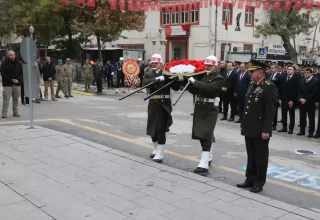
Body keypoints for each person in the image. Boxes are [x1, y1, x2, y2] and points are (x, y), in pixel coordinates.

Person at [236, 60, 277, 193]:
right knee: (251, 155)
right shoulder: (251, 85)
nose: (250, 74)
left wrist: (266, 130)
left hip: (260, 128)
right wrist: (244, 123)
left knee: (260, 156)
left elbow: (270, 110)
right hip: (250, 127)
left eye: (251, 72)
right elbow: (247, 106)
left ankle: (259, 182)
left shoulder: (269, 86)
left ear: (260, 72)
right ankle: (250, 179)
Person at [187, 55, 225, 175]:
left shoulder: (219, 78)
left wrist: (196, 82)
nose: (208, 67)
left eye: (210, 65)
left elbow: (210, 89)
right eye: (207, 65)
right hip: (200, 107)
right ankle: (208, 155)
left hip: (210, 108)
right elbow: (196, 90)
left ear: (215, 66)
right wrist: (189, 83)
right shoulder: (202, 75)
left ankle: (203, 163)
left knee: (206, 134)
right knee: (200, 133)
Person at [142, 54, 180, 163]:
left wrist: (175, 78)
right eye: (152, 63)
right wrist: (157, 79)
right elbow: (144, 83)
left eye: (156, 63)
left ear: (161, 63)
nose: (154, 65)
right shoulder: (148, 73)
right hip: (153, 102)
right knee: (152, 127)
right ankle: (155, 148)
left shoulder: (167, 73)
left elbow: (176, 87)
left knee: (160, 128)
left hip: (164, 103)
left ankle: (160, 152)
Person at [278, 66, 300, 134]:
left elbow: (296, 91)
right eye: (288, 69)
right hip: (283, 99)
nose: (288, 70)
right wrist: (279, 98)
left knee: (291, 115)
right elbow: (280, 89)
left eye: (290, 69)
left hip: (291, 100)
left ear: (294, 71)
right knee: (283, 114)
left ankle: (291, 129)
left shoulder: (296, 79)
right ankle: (284, 127)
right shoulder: (283, 78)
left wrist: (292, 100)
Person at [1, 50, 23, 118]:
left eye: (13, 54)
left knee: (16, 99)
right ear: (8, 55)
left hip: (17, 84)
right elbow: (3, 74)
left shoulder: (18, 63)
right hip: (8, 84)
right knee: (6, 99)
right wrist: (11, 80)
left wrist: (18, 80)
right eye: (11, 55)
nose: (12, 56)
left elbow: (21, 73)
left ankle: (15, 112)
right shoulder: (4, 63)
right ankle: (4, 113)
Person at [297, 68, 318, 137]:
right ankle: (302, 130)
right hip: (302, 102)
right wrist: (300, 98)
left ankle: (311, 132)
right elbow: (299, 91)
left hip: (310, 102)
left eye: (308, 72)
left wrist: (306, 99)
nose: (306, 74)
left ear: (311, 73)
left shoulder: (315, 81)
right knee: (302, 117)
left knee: (311, 118)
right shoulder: (302, 80)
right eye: (305, 72)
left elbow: (314, 92)